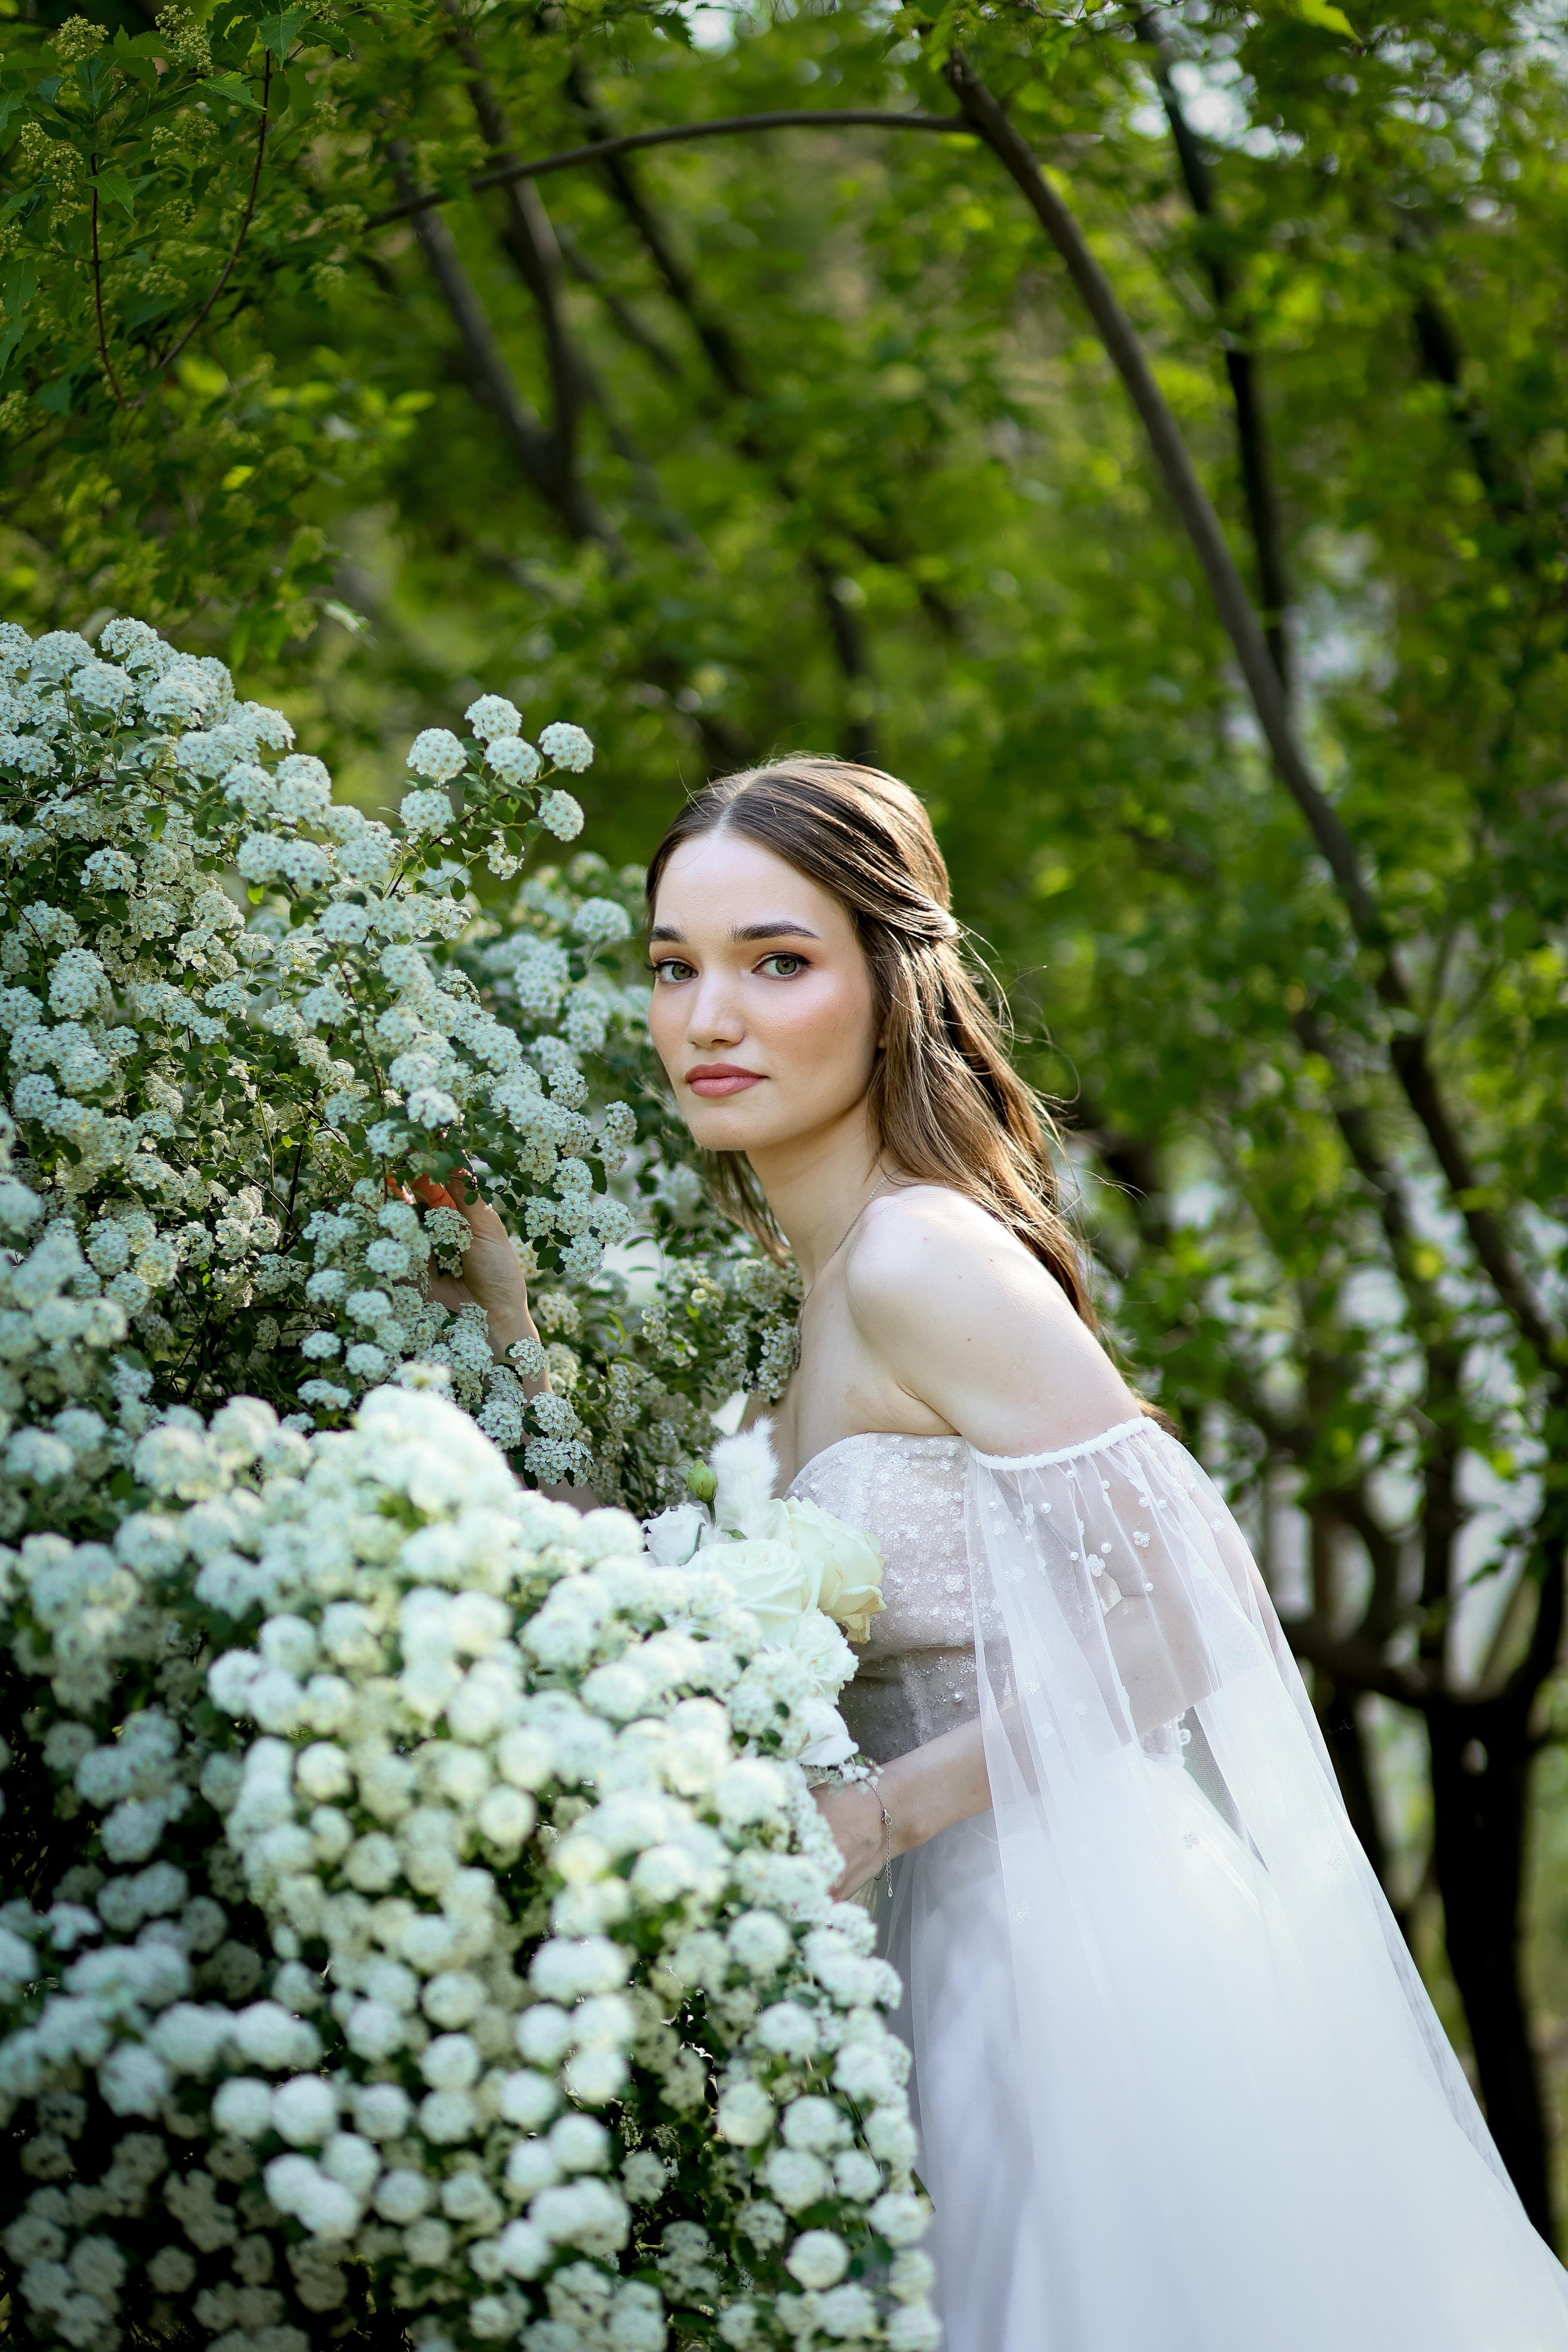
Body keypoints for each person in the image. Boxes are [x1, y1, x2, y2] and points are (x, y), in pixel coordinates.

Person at [638, 755, 1568, 2352]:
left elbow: (1186, 1606)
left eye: (775, 962)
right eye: (676, 966)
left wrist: (879, 1813)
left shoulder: (924, 1257)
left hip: (1063, 1962)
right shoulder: (811, 1287)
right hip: (904, 1948)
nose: (709, 1015)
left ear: (886, 985)